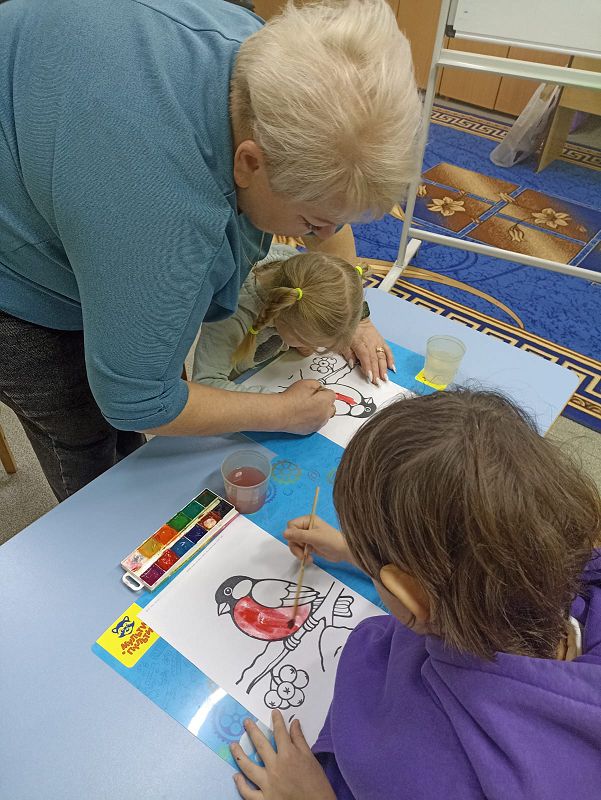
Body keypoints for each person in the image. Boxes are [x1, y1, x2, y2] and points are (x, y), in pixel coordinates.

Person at [0, 0, 421, 502]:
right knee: (83, 432)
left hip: (58, 125)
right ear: (249, 164)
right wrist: (284, 412)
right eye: (312, 223)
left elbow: (326, 224)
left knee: (124, 417)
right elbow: (137, 400)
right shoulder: (162, 213)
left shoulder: (267, 59)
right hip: (16, 270)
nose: (324, 235)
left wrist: (357, 316)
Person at [229, 390, 601, 800]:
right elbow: (480, 567)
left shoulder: (409, 764)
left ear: (410, 600)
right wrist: (361, 555)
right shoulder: (569, 574)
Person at [192, 244, 379, 392]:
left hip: (266, 370)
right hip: (236, 385)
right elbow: (205, 385)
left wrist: (301, 344)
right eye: (312, 342)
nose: (314, 349)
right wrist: (282, 406)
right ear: (282, 317)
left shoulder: (297, 275)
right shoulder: (231, 316)